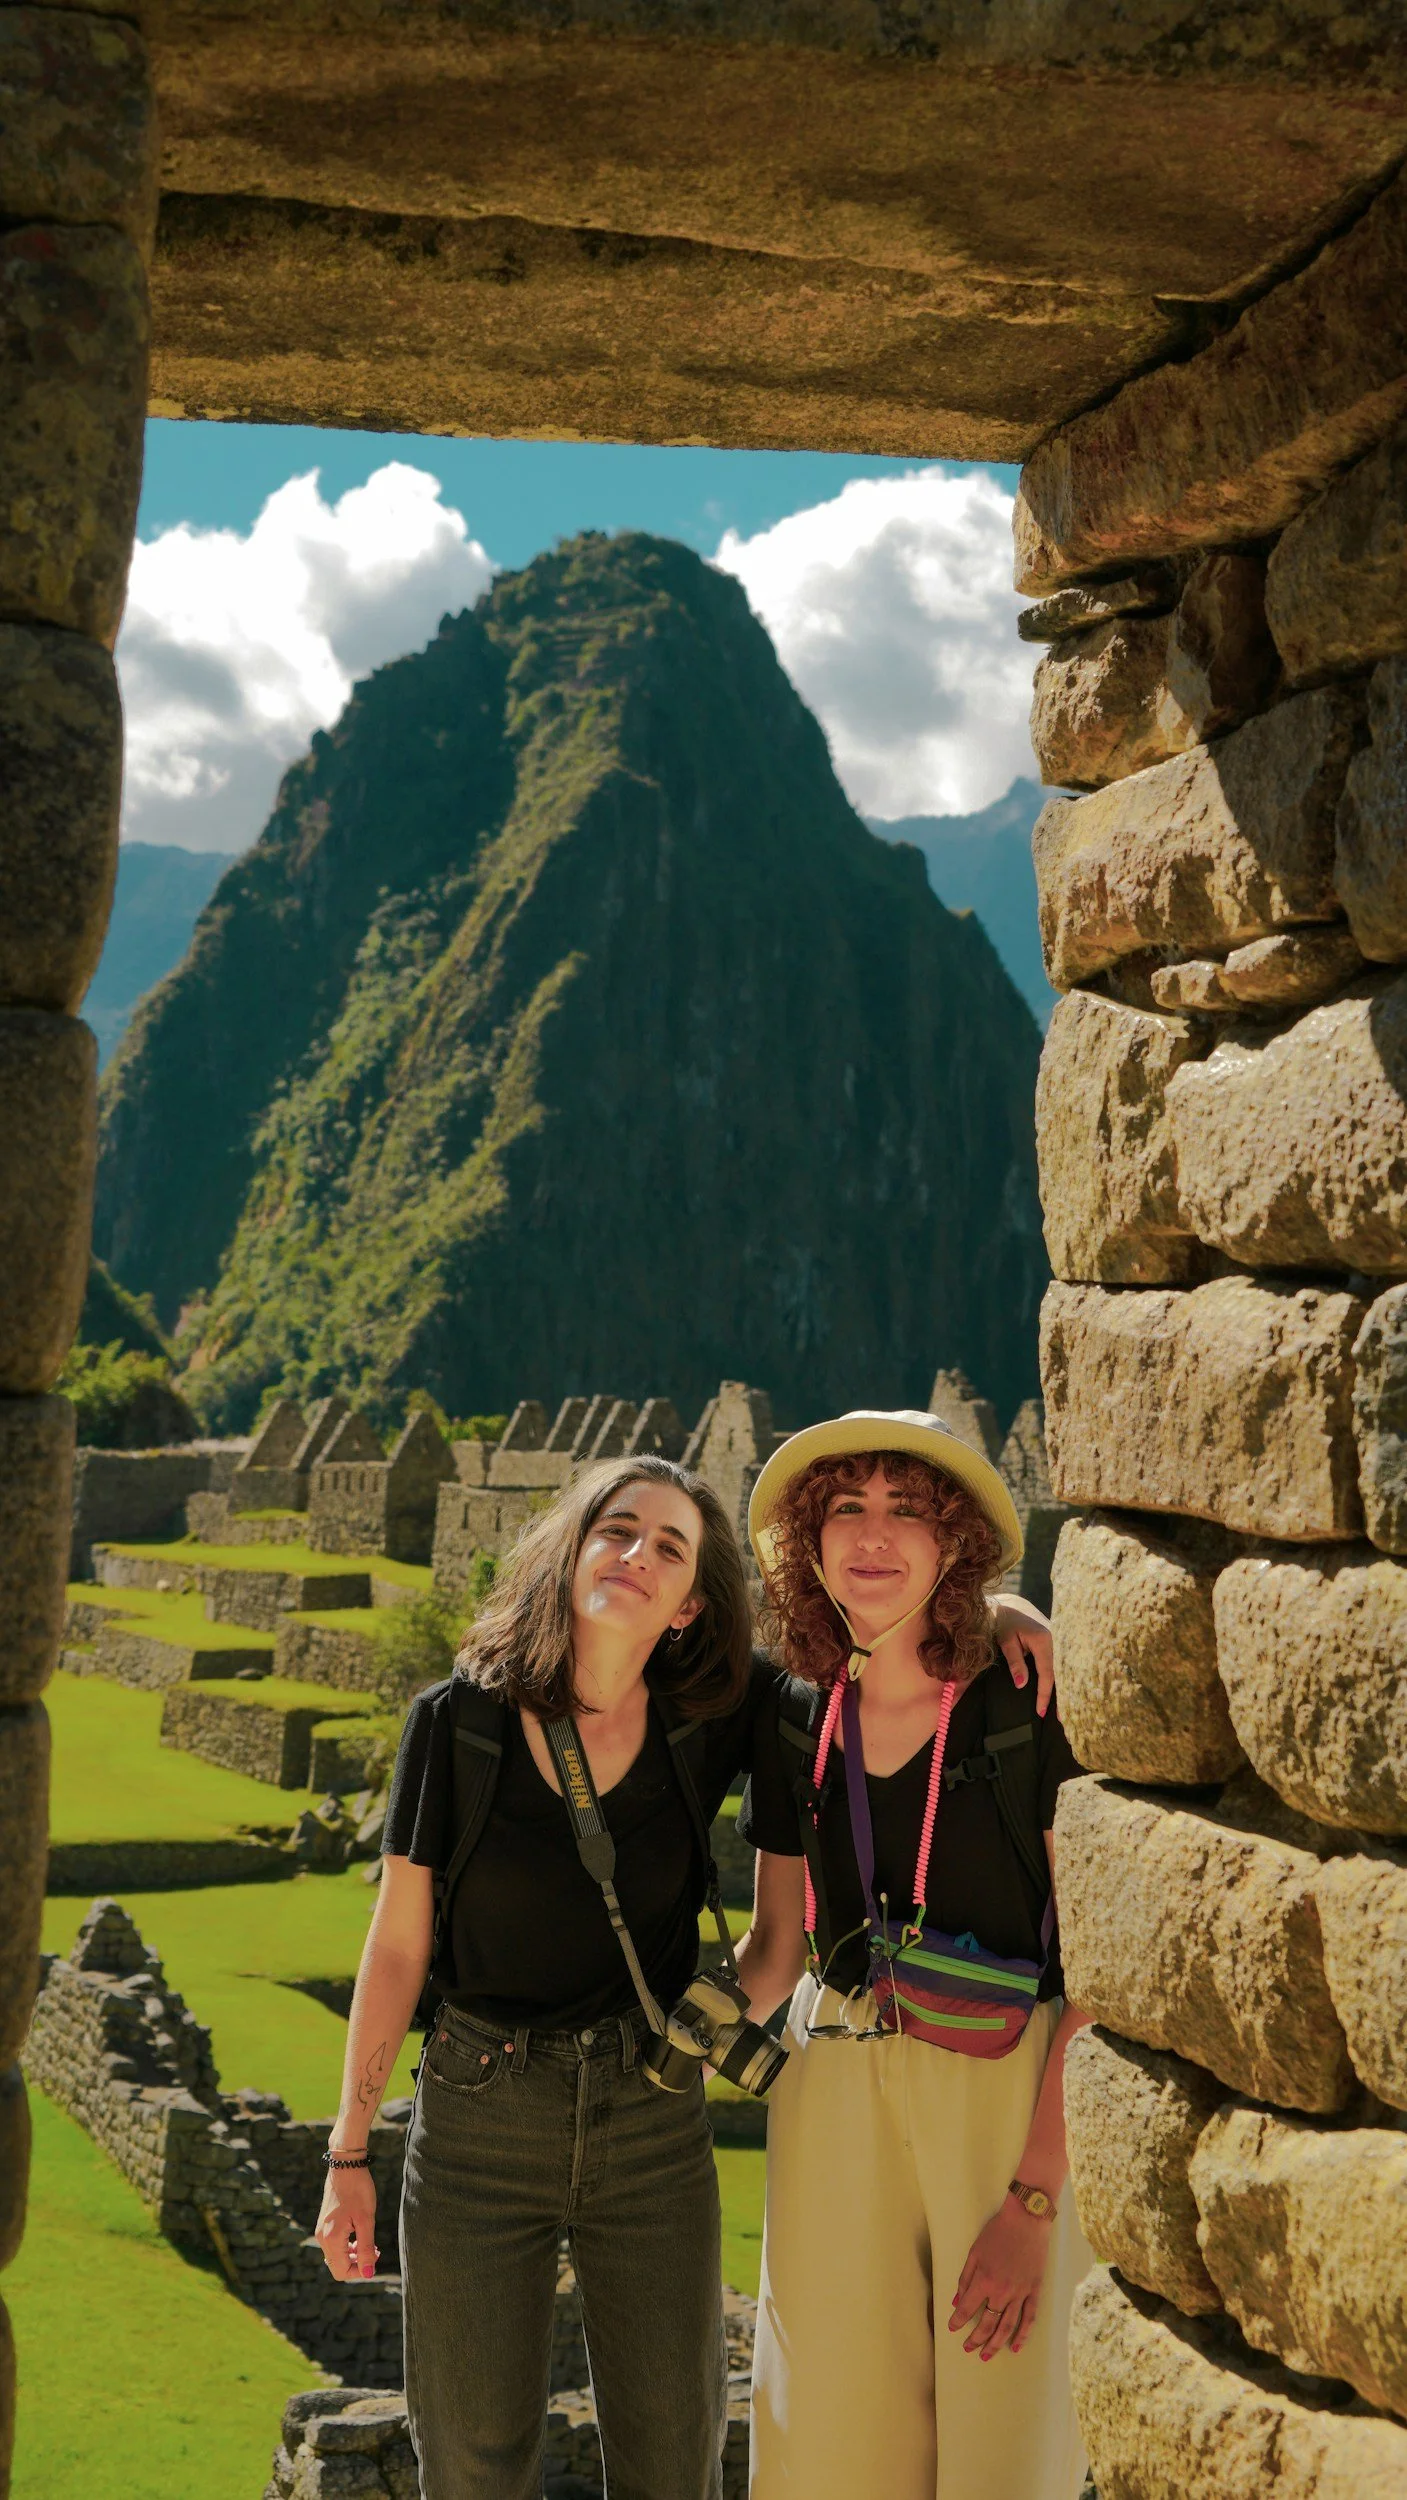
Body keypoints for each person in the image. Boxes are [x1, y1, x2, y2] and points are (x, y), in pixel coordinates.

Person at [314, 1447, 1059, 2500]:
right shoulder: (458, 1723)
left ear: (688, 1605)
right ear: (570, 1550)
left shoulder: (724, 1713)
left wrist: (1004, 1608)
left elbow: (881, 1631)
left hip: (648, 2106)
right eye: (617, 1530)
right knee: (473, 2458)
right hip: (484, 2108)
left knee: (674, 2455)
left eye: (670, 1547)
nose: (637, 1555)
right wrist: (349, 2149)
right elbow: (397, 1948)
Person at [733, 1411, 1091, 2500]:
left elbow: (1098, 1975)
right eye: (848, 1507)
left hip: (1004, 2088)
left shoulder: (1025, 1705)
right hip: (831, 2076)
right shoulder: (793, 1709)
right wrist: (648, 2040)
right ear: (811, 1538)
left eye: (909, 1510)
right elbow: (775, 1946)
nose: (874, 1534)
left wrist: (1034, 2201)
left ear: (956, 1544)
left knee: (1004, 2439)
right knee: (826, 2438)